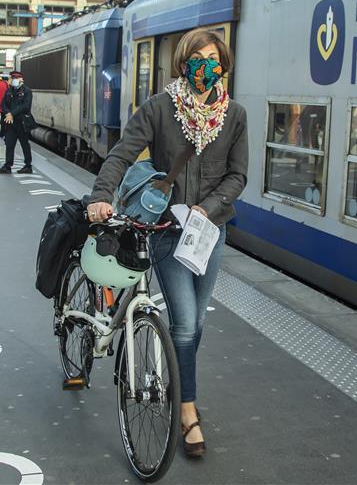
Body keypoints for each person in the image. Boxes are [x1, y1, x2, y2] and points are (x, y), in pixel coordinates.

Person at [87, 29, 248, 457]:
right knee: (184, 322)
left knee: (195, 324)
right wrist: (101, 197)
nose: (205, 66)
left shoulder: (234, 116)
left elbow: (238, 175)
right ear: (183, 63)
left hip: (209, 233)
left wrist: (209, 207)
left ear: (223, 64)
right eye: (197, 58)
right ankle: (188, 411)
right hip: (165, 230)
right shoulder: (159, 109)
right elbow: (122, 155)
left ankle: (178, 381)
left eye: (213, 59)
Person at [0, 71, 34, 174]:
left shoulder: (27, 91)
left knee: (25, 144)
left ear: (21, 80)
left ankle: (28, 166)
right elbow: (3, 104)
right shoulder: (9, 91)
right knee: (9, 144)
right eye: (12, 79)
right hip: (10, 123)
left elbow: (26, 106)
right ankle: (7, 166)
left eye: (15, 79)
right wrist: (8, 113)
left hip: (22, 123)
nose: (13, 81)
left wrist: (11, 113)